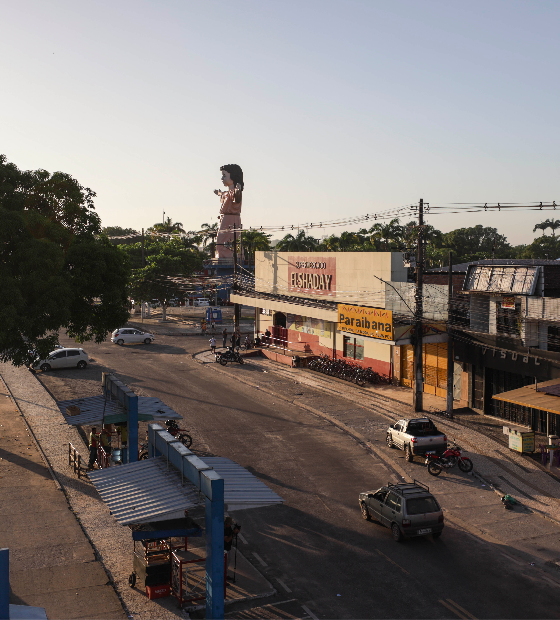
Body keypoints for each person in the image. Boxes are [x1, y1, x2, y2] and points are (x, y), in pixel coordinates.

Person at [214, 164, 244, 260]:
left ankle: (229, 256)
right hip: (225, 218)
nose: (222, 178)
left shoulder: (235, 192)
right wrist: (218, 193)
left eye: (224, 176)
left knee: (224, 240)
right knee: (221, 240)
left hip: (231, 218)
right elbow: (223, 194)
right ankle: (224, 255)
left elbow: (237, 198)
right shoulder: (227, 193)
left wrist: (238, 191)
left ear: (233, 176)